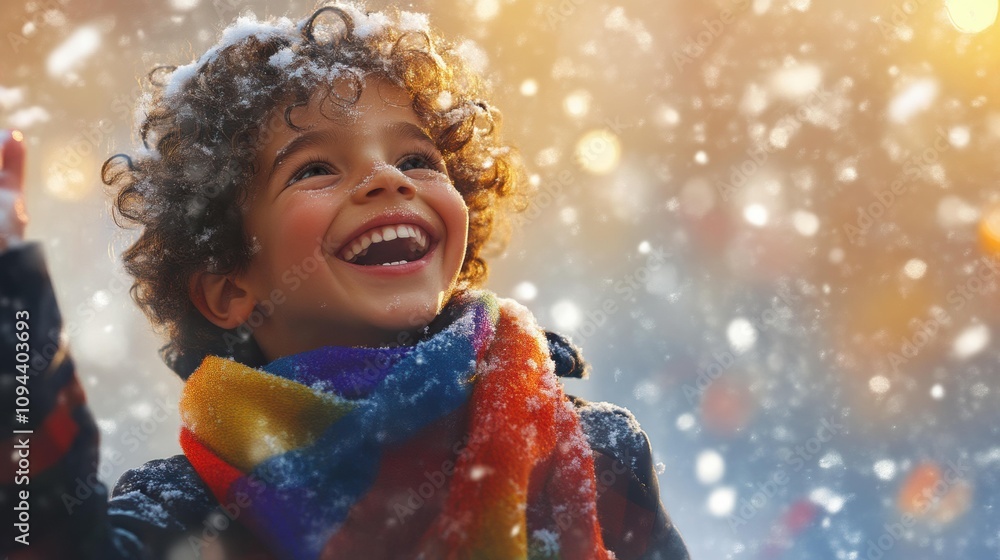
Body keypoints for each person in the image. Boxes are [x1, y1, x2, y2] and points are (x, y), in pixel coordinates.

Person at [0, 3, 690, 559]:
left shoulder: (590, 454)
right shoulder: (200, 505)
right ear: (230, 287)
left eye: (417, 158)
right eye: (313, 169)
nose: (387, 179)